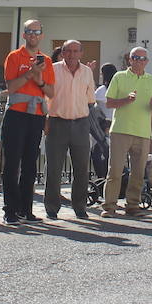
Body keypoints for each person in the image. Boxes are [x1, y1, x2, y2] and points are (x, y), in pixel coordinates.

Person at [0, 18, 55, 225]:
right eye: (29, 31)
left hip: (36, 115)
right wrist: (30, 73)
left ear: (42, 35)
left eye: (36, 31)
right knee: (12, 163)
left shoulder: (47, 61)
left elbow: (51, 91)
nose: (33, 35)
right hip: (16, 113)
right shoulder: (15, 57)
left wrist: (39, 79)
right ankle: (10, 210)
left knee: (30, 164)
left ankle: (26, 209)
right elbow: (11, 87)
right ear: (24, 35)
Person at [102, 46, 152, 217]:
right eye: (135, 58)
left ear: (147, 62)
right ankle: (109, 207)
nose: (139, 61)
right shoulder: (119, 77)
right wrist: (126, 100)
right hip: (121, 130)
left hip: (143, 132)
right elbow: (109, 103)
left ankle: (133, 206)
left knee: (138, 173)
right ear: (130, 59)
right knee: (115, 171)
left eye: (142, 59)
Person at [44, 40, 96, 220]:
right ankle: (51, 207)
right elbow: (44, 96)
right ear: (63, 52)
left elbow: (90, 99)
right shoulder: (53, 69)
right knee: (54, 168)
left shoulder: (87, 72)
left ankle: (80, 207)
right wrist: (46, 120)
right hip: (57, 122)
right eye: (68, 51)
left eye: (76, 51)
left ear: (81, 53)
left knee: (81, 168)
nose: (72, 55)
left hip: (81, 123)